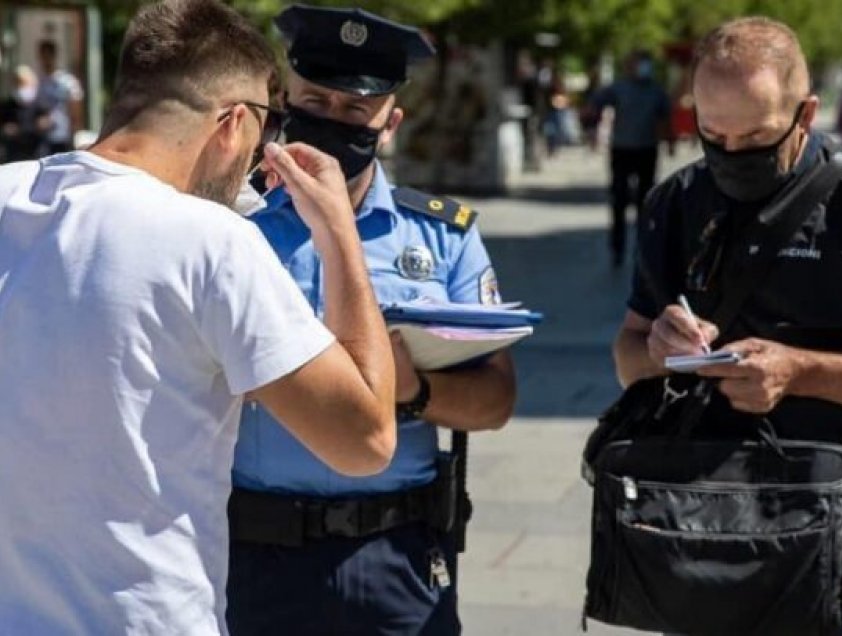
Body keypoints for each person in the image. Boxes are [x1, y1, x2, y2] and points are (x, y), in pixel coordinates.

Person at [0, 0, 398, 632]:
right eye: (267, 128)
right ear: (234, 123)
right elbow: (366, 440)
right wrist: (340, 235)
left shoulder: (7, 192)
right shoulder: (210, 240)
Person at [226, 6, 517, 635]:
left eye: (355, 110)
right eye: (315, 101)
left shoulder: (443, 237)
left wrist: (415, 392)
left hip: (397, 554)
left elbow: (495, 400)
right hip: (254, 551)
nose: (332, 120)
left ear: (390, 124)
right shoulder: (230, 225)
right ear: (285, 99)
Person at [615, 16, 842, 498]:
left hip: (829, 505)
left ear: (804, 116)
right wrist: (660, 349)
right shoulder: (674, 203)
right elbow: (628, 356)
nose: (733, 154)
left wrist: (801, 372)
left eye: (757, 139)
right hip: (698, 505)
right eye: (714, 136)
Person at [592, 50, 673, 267]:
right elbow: (597, 104)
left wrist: (670, 141)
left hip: (647, 149)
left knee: (646, 202)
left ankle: (643, 249)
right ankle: (617, 249)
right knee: (618, 199)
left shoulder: (656, 91)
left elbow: (665, 117)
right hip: (622, 149)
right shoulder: (618, 88)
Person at [34, 39, 84, 153]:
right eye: (42, 56)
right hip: (44, 137)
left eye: (47, 56)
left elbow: (75, 109)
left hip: (63, 136)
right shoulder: (41, 82)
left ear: (53, 56)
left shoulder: (66, 81)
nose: (45, 60)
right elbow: (39, 108)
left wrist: (74, 133)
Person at [0, 64, 45, 161]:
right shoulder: (8, 104)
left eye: (23, 83)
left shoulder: (39, 103)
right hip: (14, 152)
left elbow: (46, 122)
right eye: (17, 83)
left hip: (35, 151)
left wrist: (42, 124)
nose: (20, 87)